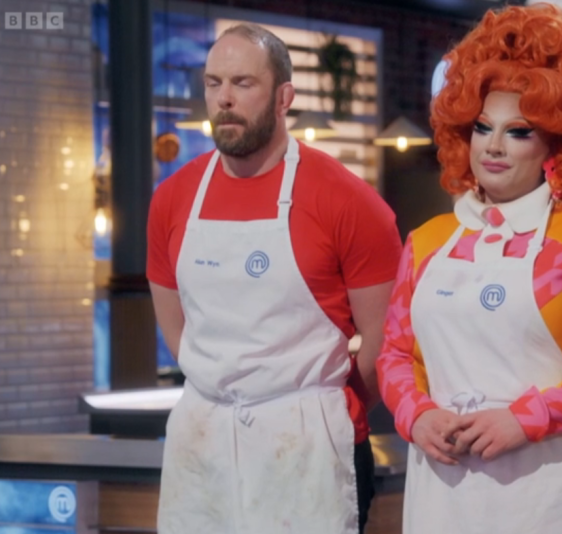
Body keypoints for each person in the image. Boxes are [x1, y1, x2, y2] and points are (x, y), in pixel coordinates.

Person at [376, 5, 562, 533]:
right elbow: (395, 353)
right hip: (446, 486)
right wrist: (417, 415)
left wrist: (526, 419)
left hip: (559, 488)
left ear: (559, 140)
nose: (494, 146)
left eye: (520, 131)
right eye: (483, 127)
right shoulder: (427, 242)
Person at [147, 23, 401, 533]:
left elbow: (386, 339)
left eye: (243, 83)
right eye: (213, 83)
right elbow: (176, 328)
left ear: (285, 96)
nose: (223, 99)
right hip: (203, 445)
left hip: (308, 446)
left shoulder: (348, 202)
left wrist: (322, 406)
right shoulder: (173, 198)